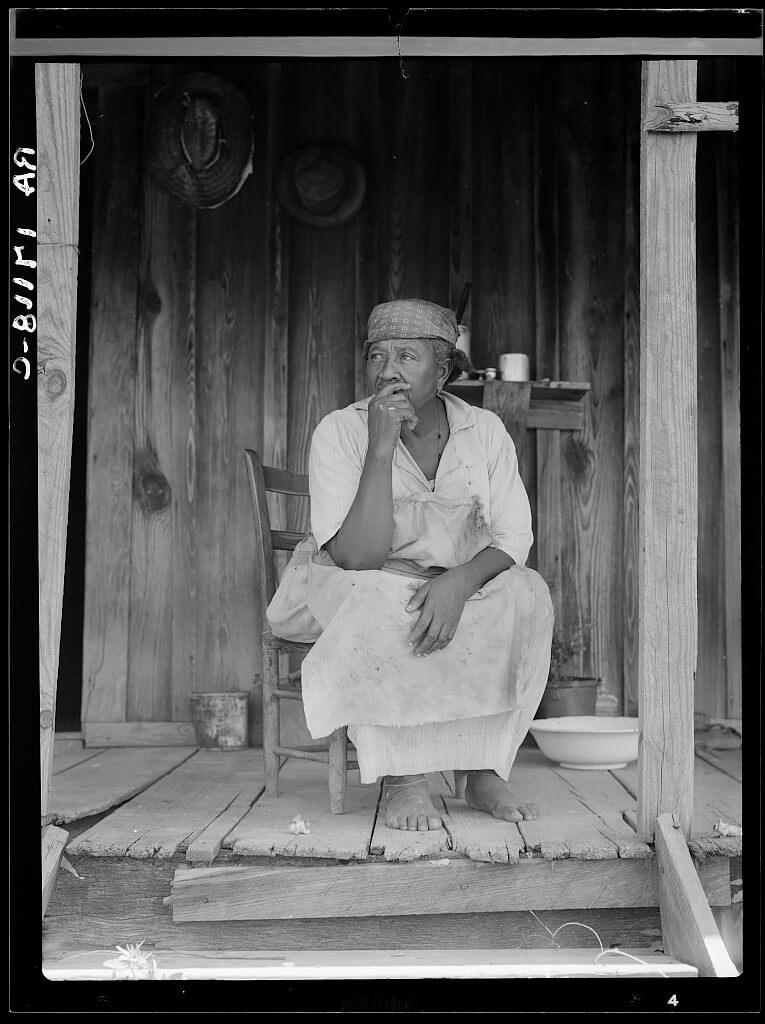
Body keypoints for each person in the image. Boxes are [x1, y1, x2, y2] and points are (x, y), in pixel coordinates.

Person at [267, 298, 553, 831]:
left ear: (442, 370)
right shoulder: (340, 431)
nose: (388, 370)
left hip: (452, 581)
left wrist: (460, 583)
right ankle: (404, 776)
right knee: (382, 600)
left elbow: (515, 537)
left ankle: (481, 766)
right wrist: (380, 448)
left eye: (407, 356)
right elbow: (355, 558)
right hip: (357, 581)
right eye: (377, 355)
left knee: (527, 592)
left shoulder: (485, 430)